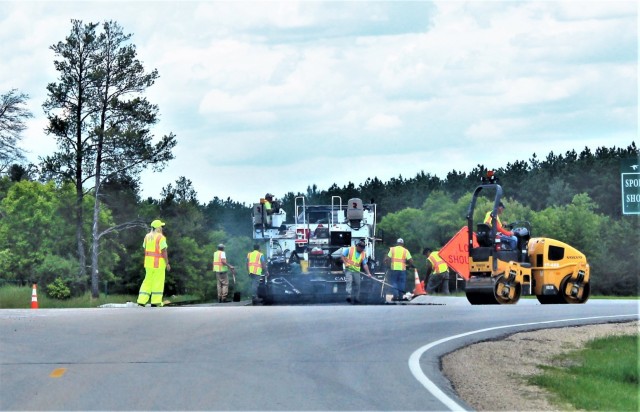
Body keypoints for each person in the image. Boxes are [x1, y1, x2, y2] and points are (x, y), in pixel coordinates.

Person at [137, 219, 171, 307]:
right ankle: (155, 302)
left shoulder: (147, 236)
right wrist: (167, 263)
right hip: (158, 264)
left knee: (147, 281)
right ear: (158, 227)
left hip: (148, 264)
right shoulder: (161, 237)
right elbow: (164, 251)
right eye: (161, 226)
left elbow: (145, 249)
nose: (162, 228)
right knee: (158, 282)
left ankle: (141, 300)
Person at [341, 240, 371, 304]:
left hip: (356, 271)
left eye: (363, 248)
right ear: (357, 246)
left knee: (358, 284)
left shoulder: (363, 254)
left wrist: (368, 273)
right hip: (348, 269)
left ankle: (356, 298)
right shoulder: (349, 249)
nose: (361, 249)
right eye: (360, 248)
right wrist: (345, 263)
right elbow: (342, 256)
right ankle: (349, 296)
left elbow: (365, 264)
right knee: (349, 281)